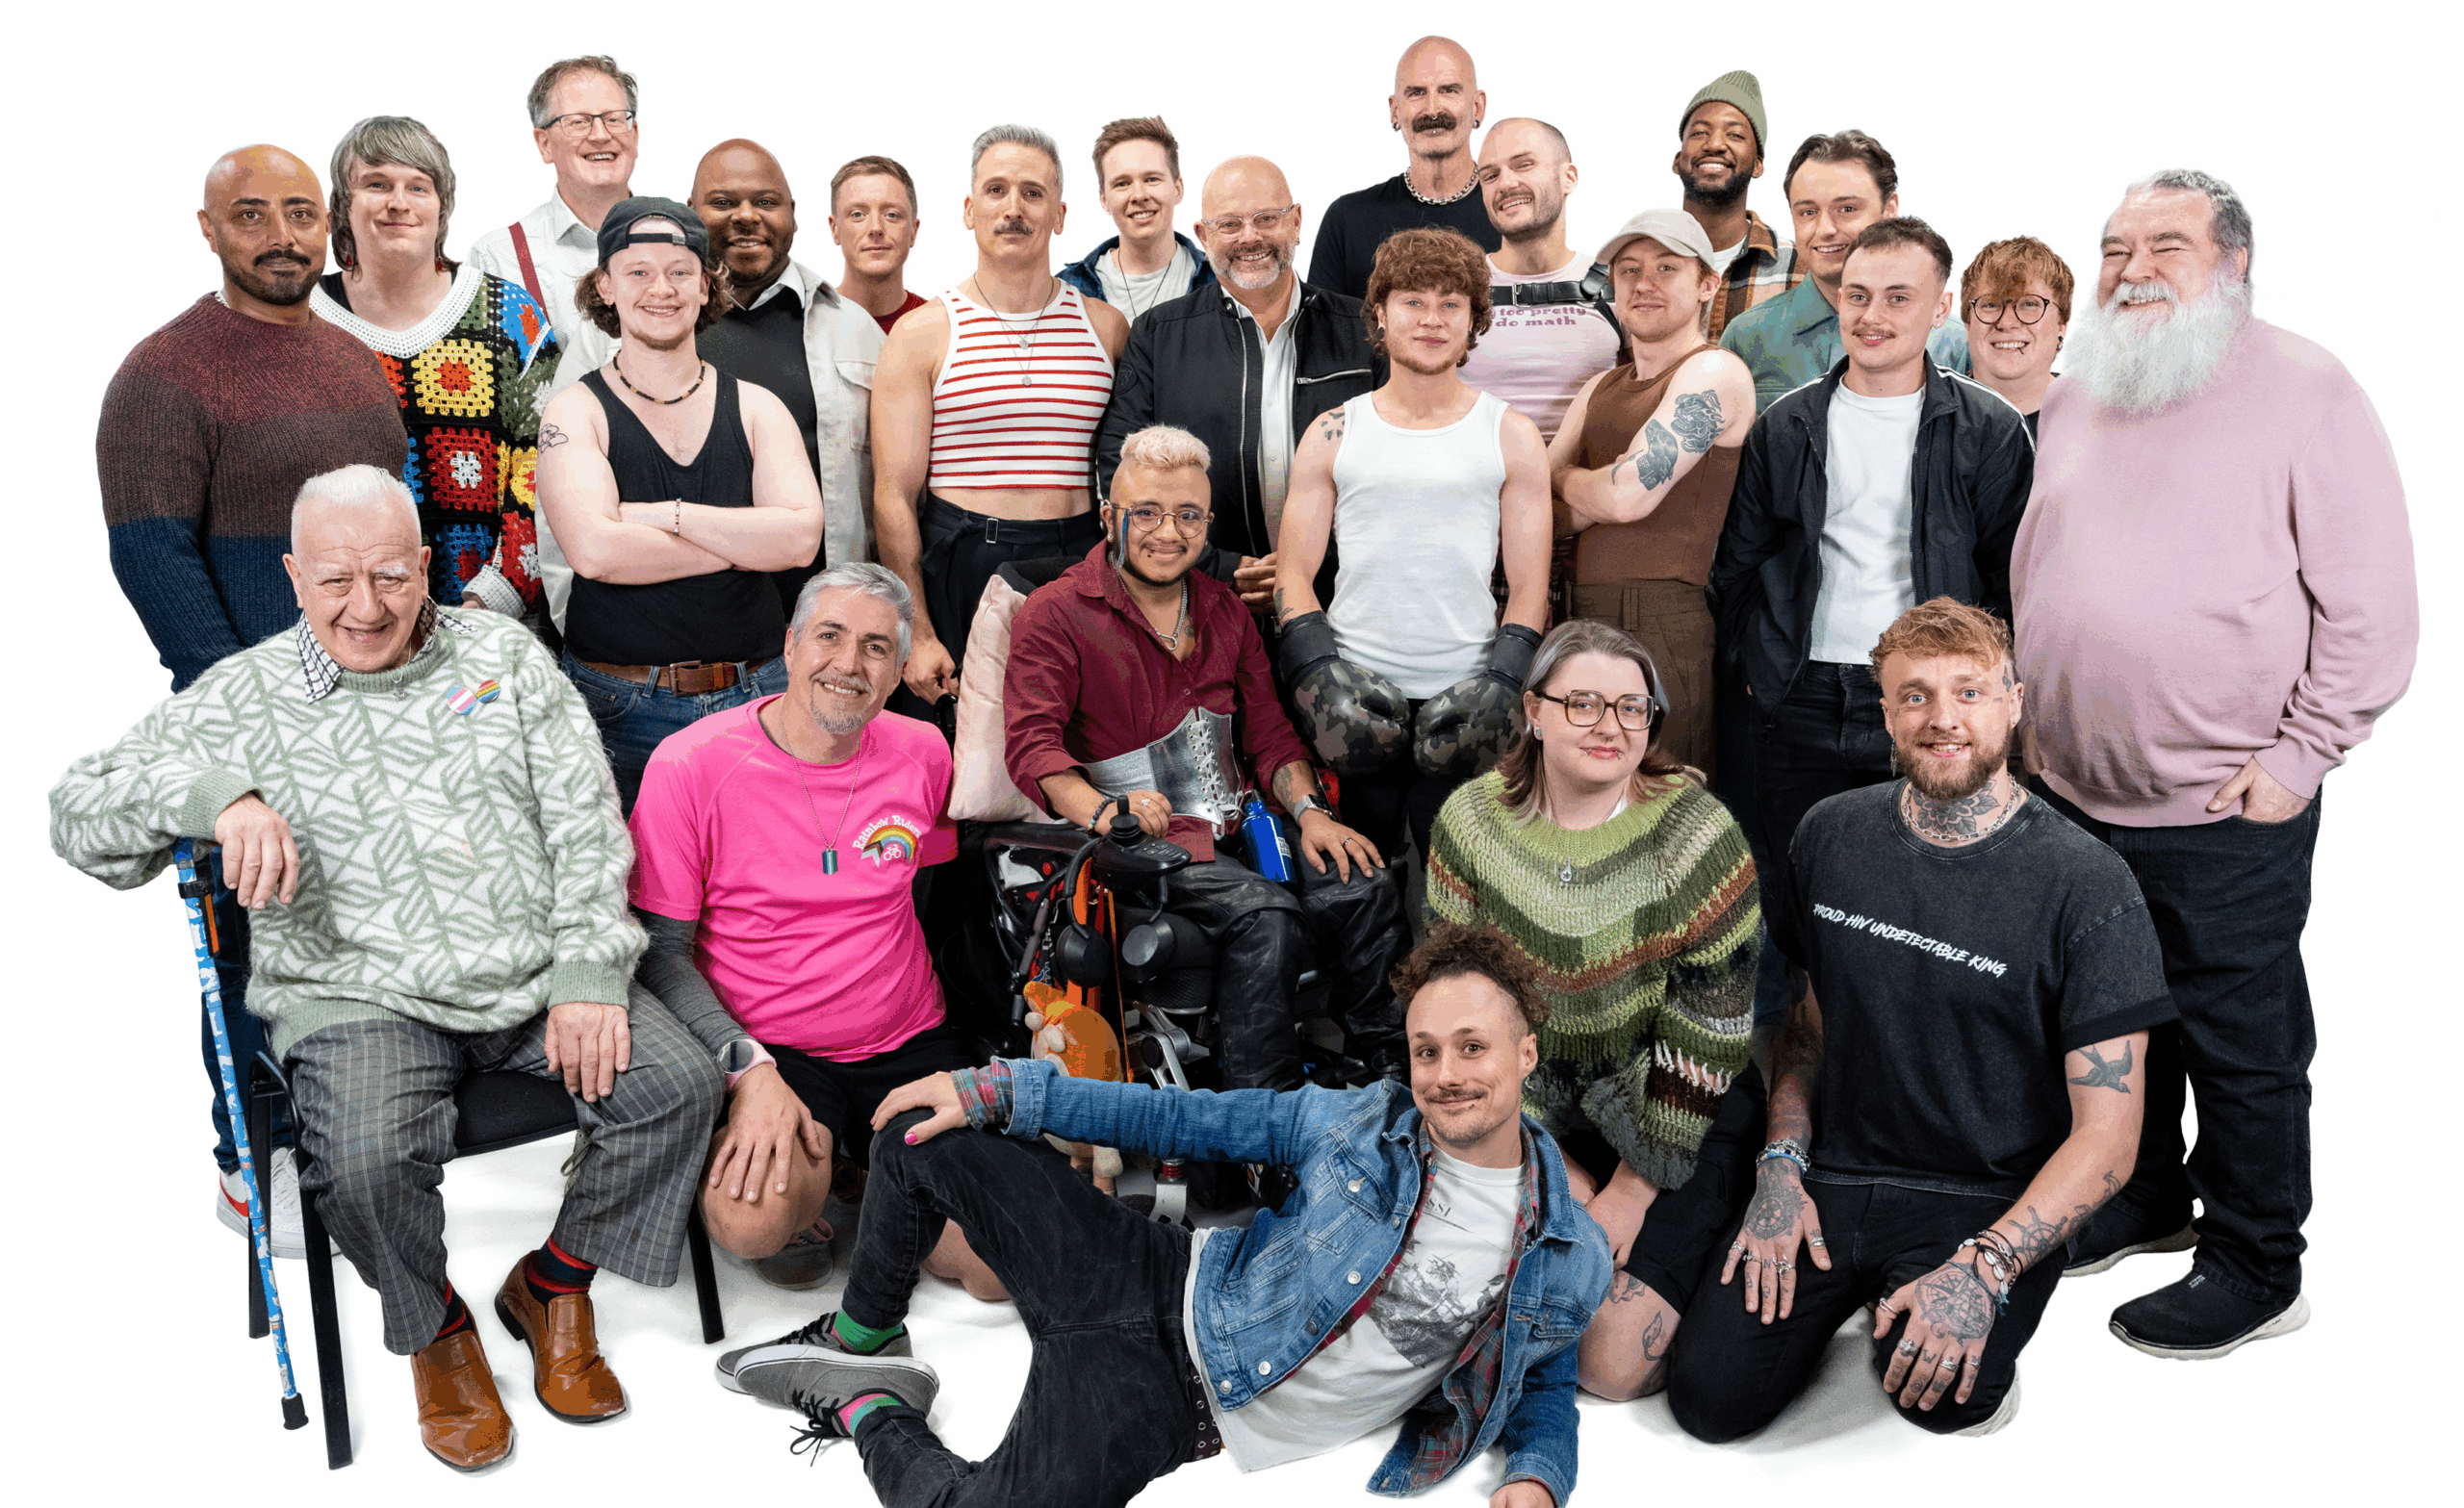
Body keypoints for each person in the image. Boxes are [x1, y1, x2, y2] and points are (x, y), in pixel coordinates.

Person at [52, 466, 725, 1470]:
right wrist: (217, 798)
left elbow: (588, 828)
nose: (364, 608)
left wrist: (588, 972)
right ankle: (436, 1324)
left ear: (423, 565)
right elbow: (78, 811)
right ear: (292, 574)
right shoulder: (242, 694)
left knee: (677, 1084)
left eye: (388, 577)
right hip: (356, 994)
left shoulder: (501, 655)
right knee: (361, 1161)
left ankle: (554, 1281)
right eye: (333, 582)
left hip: (529, 975)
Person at [717, 924, 1609, 1508]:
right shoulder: (1359, 1120)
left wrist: (1536, 1481)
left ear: (1526, 1052)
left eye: (1472, 1047)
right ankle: (864, 1335)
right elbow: (1180, 1117)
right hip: (1155, 1271)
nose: (1446, 1073)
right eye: (1426, 1049)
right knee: (921, 1129)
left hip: (1174, 1399)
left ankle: (865, 1404)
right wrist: (991, 1086)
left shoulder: (1567, 1253)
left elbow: (1544, 1383)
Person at [2013, 169, 2417, 1358]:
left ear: (2232, 263)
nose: (2132, 266)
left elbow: (2375, 609)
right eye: (2114, 245)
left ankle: (2254, 1259)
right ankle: (2142, 1199)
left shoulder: (2306, 389)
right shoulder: (2085, 392)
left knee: (2241, 1040)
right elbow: (2049, 569)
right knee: (2122, 1023)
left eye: (2166, 244)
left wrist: (2301, 757)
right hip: (2077, 790)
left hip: (2228, 798)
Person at [1664, 598, 2172, 1441]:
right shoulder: (1830, 836)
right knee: (1710, 1404)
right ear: (1886, 714)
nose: (1943, 719)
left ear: (2013, 701)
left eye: (1969, 693)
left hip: (1987, 1196)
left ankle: (1942, 1291)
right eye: (1916, 695)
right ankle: (1864, 1283)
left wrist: (1988, 1263)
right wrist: (1782, 1167)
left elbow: (2110, 1140)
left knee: (1940, 1400)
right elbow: (1806, 1028)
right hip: (1839, 1175)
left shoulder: (2090, 885)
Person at [98, 142, 407, 1258]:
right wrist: (253, 721)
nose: (281, 235)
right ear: (207, 227)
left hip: (383, 712)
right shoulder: (165, 373)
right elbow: (153, 561)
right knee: (247, 940)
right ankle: (250, 1160)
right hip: (259, 722)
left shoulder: (349, 360)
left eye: (298, 213)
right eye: (251, 214)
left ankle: (363, 1135)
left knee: (353, 935)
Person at [629, 562, 1003, 1298]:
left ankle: (870, 1163)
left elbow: (929, 890)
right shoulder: (690, 765)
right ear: (791, 647)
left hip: (909, 1037)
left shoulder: (925, 750)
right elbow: (661, 957)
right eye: (829, 637)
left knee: (996, 1269)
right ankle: (831, 1161)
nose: (848, 664)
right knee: (749, 1221)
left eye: (874, 648)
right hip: (777, 1052)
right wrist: (747, 1069)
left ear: (898, 670)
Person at [1006, 425, 1408, 1088]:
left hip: (1246, 825)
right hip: (1136, 845)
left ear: (1207, 523)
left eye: (1188, 514)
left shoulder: (1226, 611)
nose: (1169, 531)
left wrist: (1311, 814)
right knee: (1266, 914)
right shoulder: (1056, 613)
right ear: (1110, 515)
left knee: (1364, 884)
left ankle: (1390, 1080)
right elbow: (1034, 748)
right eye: (1148, 513)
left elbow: (1272, 737)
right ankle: (1262, 1120)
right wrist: (1105, 811)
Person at [1425, 619, 1760, 1401]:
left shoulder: (1697, 835)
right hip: (1527, 1109)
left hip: (1676, 1102)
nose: (1611, 726)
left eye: (1632, 708)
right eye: (1583, 703)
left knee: (1609, 1366)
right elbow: (1456, 1008)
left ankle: (1723, 1213)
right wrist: (1551, 1169)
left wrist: (1628, 1198)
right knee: (1440, 1317)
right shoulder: (1471, 825)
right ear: (1533, 712)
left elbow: (1710, 1036)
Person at [1710, 217, 2032, 964]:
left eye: (1897, 297)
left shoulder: (1989, 429)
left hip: (1934, 699)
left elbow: (2013, 585)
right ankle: (1814, 1066)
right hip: (1804, 693)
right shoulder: (1786, 426)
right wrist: (1760, 674)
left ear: (1940, 307)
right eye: (1857, 295)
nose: (1872, 316)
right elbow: (1737, 568)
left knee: (1937, 910)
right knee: (1805, 907)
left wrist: (1986, 700)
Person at [535, 198, 826, 810]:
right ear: (605, 286)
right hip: (620, 706)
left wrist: (661, 516)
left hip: (760, 695)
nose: (660, 289)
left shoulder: (756, 407)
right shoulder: (575, 411)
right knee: (633, 898)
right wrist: (744, 545)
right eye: (638, 271)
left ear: (705, 286)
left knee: (754, 890)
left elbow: (799, 542)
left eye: (679, 271)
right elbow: (595, 553)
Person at [1275, 227, 1552, 864]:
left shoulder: (1510, 433)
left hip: (1468, 697)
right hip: (1352, 689)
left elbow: (1530, 584)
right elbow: (1293, 572)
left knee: (1465, 900)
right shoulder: (1332, 431)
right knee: (1354, 898)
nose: (1431, 319)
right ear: (1380, 312)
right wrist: (1317, 673)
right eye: (1413, 302)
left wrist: (1505, 680)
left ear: (1474, 320)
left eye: (1451, 303)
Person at [871, 125, 1129, 719]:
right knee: (962, 755)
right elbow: (893, 495)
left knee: (1073, 746)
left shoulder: (1106, 329)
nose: (1013, 209)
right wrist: (918, 629)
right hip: (962, 562)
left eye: (1033, 193)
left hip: (1076, 561)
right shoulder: (923, 334)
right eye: (996, 190)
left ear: (1060, 214)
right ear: (968, 209)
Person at [1092, 155, 1378, 612]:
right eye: (1229, 224)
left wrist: (1304, 568)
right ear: (1204, 236)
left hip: (1346, 599)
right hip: (1203, 603)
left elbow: (1400, 467)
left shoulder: (1364, 333)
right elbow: (1120, 469)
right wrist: (1222, 568)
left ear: (1298, 221)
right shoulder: (1159, 336)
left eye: (1267, 218)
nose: (1250, 237)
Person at [310, 115, 559, 625]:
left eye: (417, 187)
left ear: (442, 207)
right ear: (342, 206)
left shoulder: (509, 314)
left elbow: (546, 464)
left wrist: (493, 596)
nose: (398, 202)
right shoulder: (306, 319)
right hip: (345, 623)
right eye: (376, 184)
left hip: (488, 626)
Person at [1550, 210, 1757, 777]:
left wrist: (1569, 481)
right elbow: (1537, 506)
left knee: (1662, 818)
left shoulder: (1715, 373)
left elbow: (1624, 499)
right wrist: (1598, 488)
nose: (1644, 283)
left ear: (1707, 284)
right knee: (1583, 808)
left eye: (1667, 267)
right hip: (1578, 615)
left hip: (1663, 619)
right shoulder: (1602, 385)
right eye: (1629, 269)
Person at [690, 138, 886, 586]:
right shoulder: (634, 331)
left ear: (793, 214)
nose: (745, 215)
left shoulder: (856, 332)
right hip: (689, 624)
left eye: (766, 201)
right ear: (690, 212)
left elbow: (899, 494)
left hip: (825, 618)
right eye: (722, 202)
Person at [1719, 132, 1968, 415]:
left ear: (1890, 209)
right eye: (1808, 212)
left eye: (1847, 209)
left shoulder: (1954, 343)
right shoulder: (1747, 338)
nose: (1825, 229)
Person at [466, 55, 638, 389]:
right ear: (544, 144)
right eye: (578, 122)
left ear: (636, 135)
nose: (601, 135)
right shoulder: (498, 258)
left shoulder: (684, 241)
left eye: (615, 119)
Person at [1461, 118, 1621, 444]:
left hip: (1582, 486)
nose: (1505, 183)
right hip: (1478, 488)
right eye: (1490, 175)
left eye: (1524, 165)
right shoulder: (1456, 290)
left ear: (1569, 177)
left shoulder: (1618, 284)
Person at [1309, 36, 1502, 301]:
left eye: (1448, 90)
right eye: (1417, 93)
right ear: (1395, 110)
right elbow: (1322, 335)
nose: (1433, 109)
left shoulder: (1511, 212)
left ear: (1477, 107)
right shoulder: (1348, 220)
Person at [1671, 70, 1799, 341]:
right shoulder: (1636, 261)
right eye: (1699, 132)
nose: (1715, 144)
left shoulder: (1799, 268)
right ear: (1677, 160)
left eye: (1735, 135)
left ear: (1757, 164)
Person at [1060, 117, 1215, 318]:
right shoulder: (1067, 292)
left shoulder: (1221, 282)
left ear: (1178, 189)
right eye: (1122, 184)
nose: (1139, 195)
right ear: (1104, 199)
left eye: (1152, 179)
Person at [1959, 237, 2071, 438]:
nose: (2006, 323)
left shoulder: (2100, 422)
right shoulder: (1922, 417)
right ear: (1967, 325)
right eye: (1991, 304)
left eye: (2029, 304)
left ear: (2061, 325)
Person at [832, 155, 929, 335]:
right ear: (834, 229)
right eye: (857, 214)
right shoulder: (807, 323)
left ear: (914, 230)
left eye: (892, 215)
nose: (875, 228)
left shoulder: (940, 326)